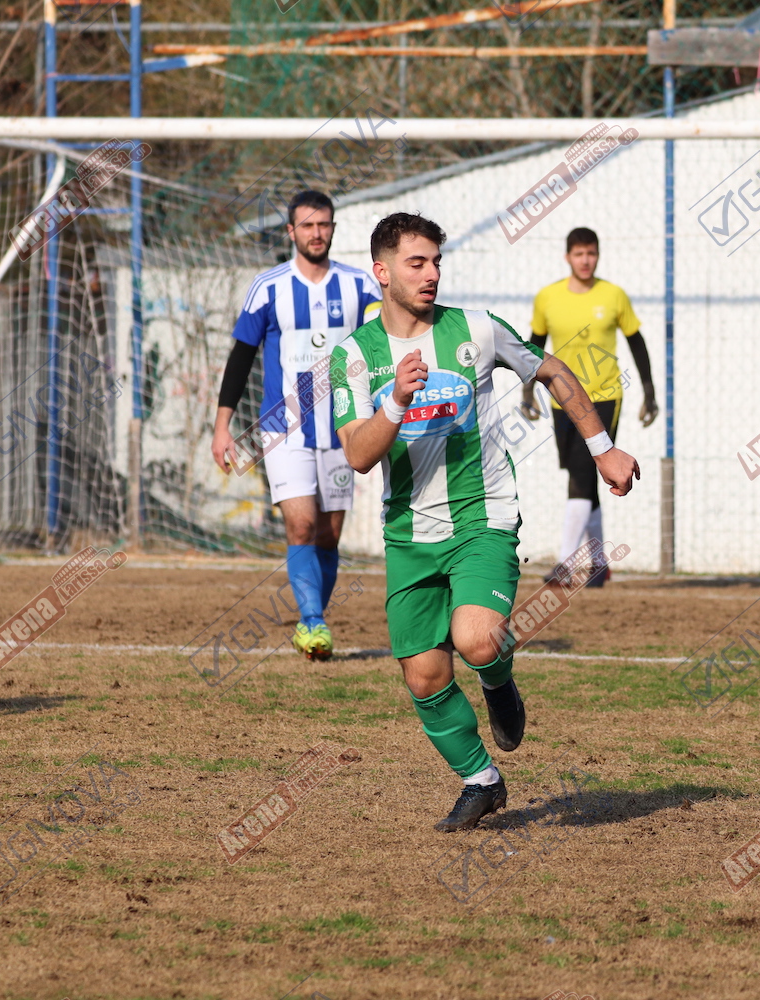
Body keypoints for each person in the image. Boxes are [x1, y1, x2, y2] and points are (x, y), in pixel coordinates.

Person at [330, 212, 639, 831]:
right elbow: (359, 455)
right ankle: (481, 780)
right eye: (417, 263)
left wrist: (603, 447)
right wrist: (397, 402)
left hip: (483, 517)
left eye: (436, 262)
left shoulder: (476, 328)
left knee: (474, 640)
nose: (431, 274)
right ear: (382, 272)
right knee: (424, 676)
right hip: (409, 532)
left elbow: (552, 371)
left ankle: (497, 678)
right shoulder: (354, 356)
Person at [211, 190, 380, 661]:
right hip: (284, 429)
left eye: (323, 225)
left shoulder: (361, 286)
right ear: (291, 231)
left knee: (329, 535)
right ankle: (313, 621)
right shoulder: (268, 287)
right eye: (307, 225)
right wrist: (222, 427)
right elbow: (241, 357)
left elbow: (384, 340)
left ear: (333, 228)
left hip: (346, 429)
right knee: (302, 526)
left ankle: (312, 622)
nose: (316, 233)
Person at [521, 227, 656, 586]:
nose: (585, 260)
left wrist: (649, 391)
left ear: (598, 255)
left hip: (604, 397)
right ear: (568, 257)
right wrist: (527, 392)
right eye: (579, 254)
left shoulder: (613, 295)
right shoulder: (548, 297)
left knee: (581, 475)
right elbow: (533, 346)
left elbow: (637, 341)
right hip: (561, 400)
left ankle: (566, 565)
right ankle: (598, 564)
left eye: (591, 253)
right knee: (583, 476)